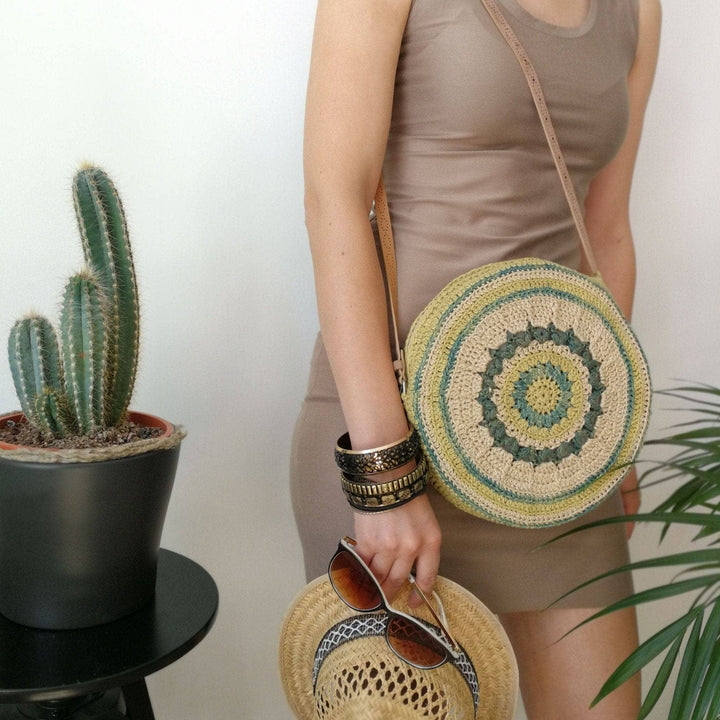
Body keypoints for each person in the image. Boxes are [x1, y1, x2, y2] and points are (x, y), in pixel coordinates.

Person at [291, 0, 662, 716]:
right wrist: (384, 475)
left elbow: (605, 228)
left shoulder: (638, 9)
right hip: (390, 429)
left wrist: (603, 430)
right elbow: (332, 199)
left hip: (547, 439)